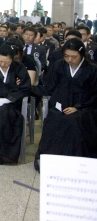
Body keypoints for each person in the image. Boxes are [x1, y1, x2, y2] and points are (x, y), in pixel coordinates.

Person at [33, 39, 97, 172]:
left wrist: (78, 107)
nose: (69, 60)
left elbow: (94, 94)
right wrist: (27, 87)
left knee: (74, 121)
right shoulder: (58, 66)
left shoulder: (92, 69)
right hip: (60, 107)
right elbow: (49, 87)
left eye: (74, 57)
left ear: (82, 55)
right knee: (56, 120)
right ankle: (52, 162)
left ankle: (77, 164)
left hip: (84, 108)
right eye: (66, 56)